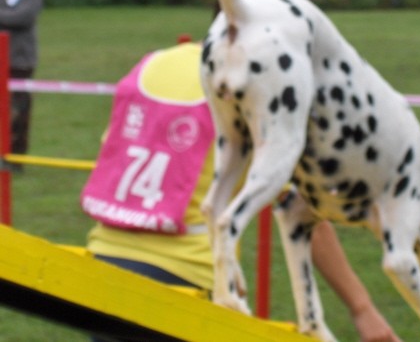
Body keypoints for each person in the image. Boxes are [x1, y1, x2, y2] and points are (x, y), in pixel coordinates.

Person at [82, 42, 400, 342]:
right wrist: (363, 310)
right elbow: (300, 212)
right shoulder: (257, 93)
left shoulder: (157, 62)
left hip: (101, 267)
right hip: (185, 280)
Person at [0, 0, 43, 170]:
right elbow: (11, 16)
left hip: (20, 59)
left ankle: (16, 158)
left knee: (19, 111)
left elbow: (23, 18)